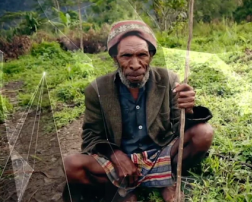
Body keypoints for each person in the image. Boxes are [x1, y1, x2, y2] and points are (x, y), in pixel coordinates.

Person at [62, 20, 214, 202]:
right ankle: (121, 190)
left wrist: (188, 110)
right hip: (121, 159)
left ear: (150, 55)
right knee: (71, 165)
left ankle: (168, 179)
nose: (135, 64)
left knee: (204, 133)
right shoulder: (96, 90)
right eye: (126, 56)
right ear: (115, 58)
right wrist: (116, 156)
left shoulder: (167, 79)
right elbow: (90, 137)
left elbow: (179, 126)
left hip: (161, 153)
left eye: (142, 55)